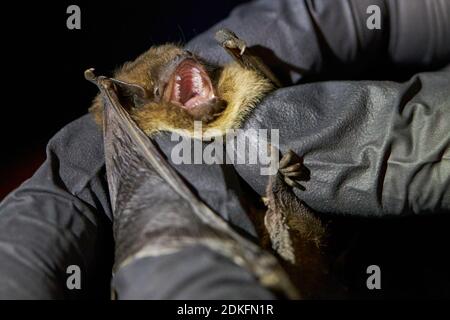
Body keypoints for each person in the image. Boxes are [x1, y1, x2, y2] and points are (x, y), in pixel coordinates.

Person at [0, 0, 449, 299]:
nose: (186, 70)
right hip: (196, 270)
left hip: (350, 247)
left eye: (187, 63)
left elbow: (349, 13)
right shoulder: (108, 148)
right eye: (165, 86)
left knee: (267, 124)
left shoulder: (246, 55)